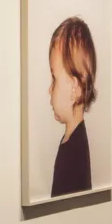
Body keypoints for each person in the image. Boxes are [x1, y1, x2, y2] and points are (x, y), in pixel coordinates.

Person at [47, 17, 97, 198]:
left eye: (54, 78)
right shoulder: (71, 140)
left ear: (74, 89)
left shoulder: (75, 148)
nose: (49, 89)